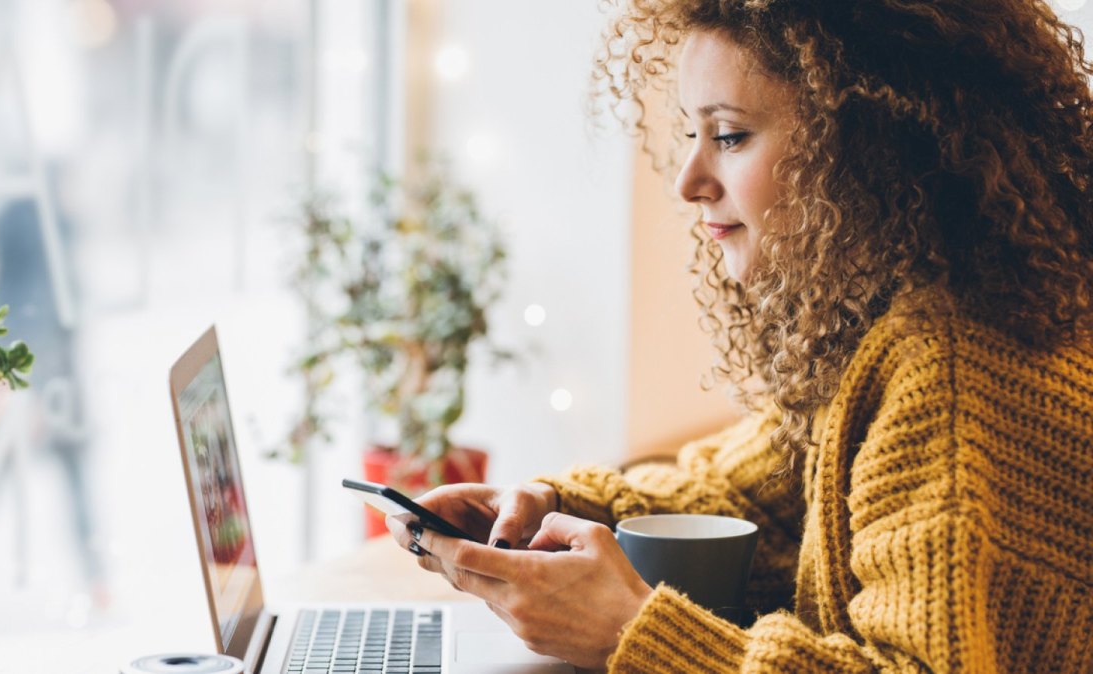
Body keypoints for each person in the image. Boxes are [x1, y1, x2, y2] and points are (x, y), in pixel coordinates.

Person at [389, 1, 1093, 672]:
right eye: (692, 136)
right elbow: (754, 504)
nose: (690, 180)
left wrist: (632, 634)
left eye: (727, 136)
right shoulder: (906, 319)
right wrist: (545, 510)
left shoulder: (950, 367)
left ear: (869, 142)